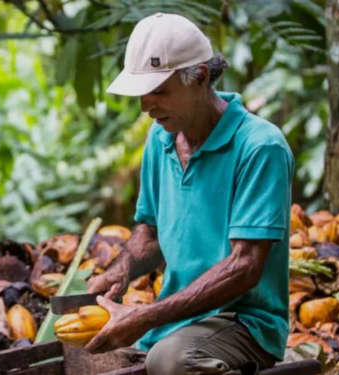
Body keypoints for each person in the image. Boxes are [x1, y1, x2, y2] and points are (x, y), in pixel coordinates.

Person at [83, 12, 294, 375]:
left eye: (159, 92)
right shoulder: (160, 140)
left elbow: (244, 268)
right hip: (177, 317)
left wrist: (146, 316)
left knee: (171, 362)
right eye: (141, 95)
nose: (146, 108)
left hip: (242, 320)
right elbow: (150, 234)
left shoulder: (260, 147)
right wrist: (120, 271)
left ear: (200, 77)